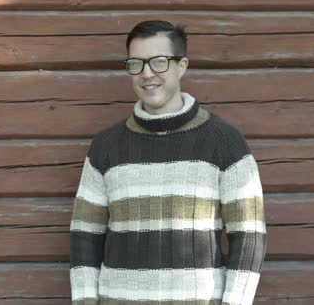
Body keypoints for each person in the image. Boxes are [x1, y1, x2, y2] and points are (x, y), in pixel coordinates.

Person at [69, 20, 267, 305]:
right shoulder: (106, 147)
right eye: (136, 63)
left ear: (181, 65)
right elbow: (84, 236)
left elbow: (249, 235)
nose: (147, 73)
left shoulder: (225, 143)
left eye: (159, 62)